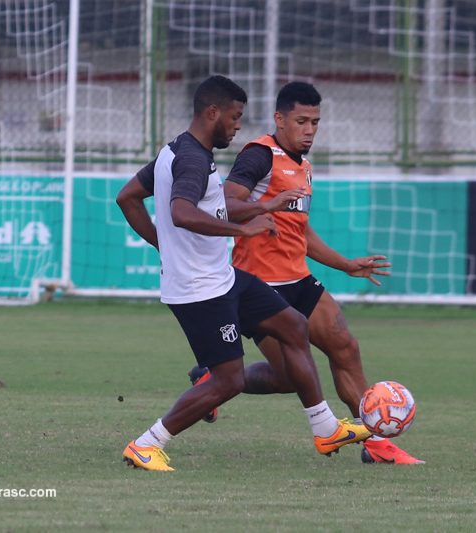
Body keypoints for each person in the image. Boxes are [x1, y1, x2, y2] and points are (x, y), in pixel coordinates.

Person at [115, 75, 371, 471]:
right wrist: (242, 229)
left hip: (222, 276)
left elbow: (127, 197)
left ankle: (325, 428)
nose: (237, 126)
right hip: (200, 288)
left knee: (293, 326)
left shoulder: (176, 150)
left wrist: (165, 245)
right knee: (228, 380)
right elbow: (181, 213)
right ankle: (147, 443)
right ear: (212, 112)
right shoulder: (193, 159)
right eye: (234, 118)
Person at [197, 81, 424, 465]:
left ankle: (374, 441)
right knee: (289, 378)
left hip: (299, 280)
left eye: (315, 122)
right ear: (280, 119)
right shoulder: (258, 156)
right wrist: (265, 206)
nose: (309, 130)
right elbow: (226, 203)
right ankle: (211, 380)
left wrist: (346, 264)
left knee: (346, 347)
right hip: (260, 288)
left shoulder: (303, 166)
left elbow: (300, 231)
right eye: (301, 121)